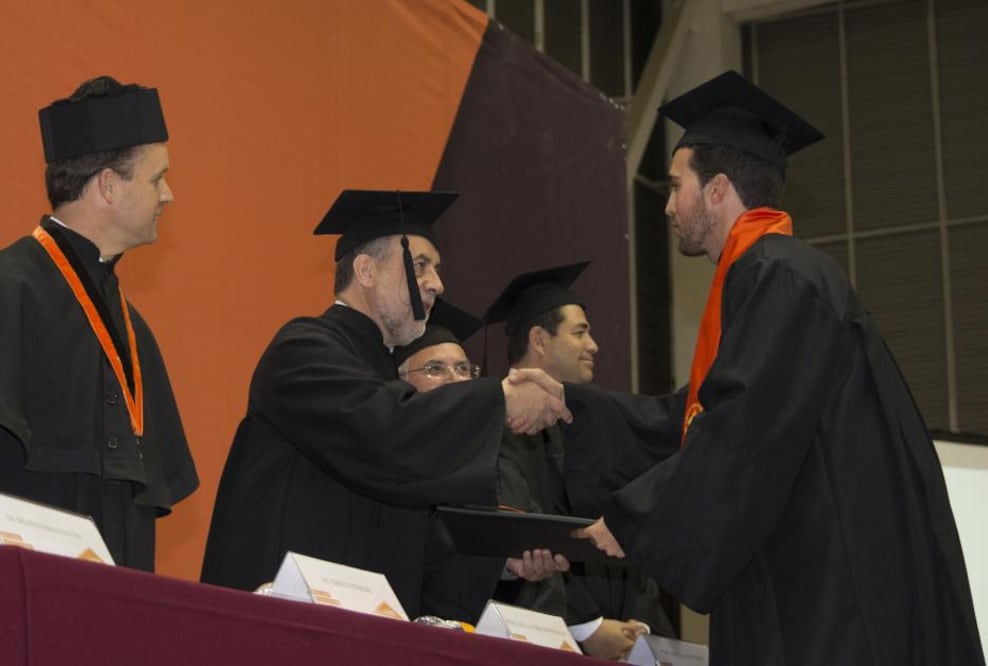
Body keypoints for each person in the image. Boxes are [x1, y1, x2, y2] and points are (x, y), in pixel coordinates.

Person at [557, 71, 984, 664]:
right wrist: (566, 404)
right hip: (805, 583)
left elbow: (742, 430)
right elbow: (692, 417)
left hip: (828, 603)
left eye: (676, 184)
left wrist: (638, 514)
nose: (666, 205)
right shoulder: (774, 275)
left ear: (717, 189)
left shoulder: (781, 275)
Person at [201, 189, 570, 618]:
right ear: (366, 271)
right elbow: (385, 430)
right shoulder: (302, 349)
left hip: (362, 628)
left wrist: (500, 560)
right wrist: (499, 399)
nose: (437, 283)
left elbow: (413, 547)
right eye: (420, 265)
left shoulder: (384, 380)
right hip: (282, 623)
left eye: (437, 268)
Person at [0, 76, 198, 571]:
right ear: (109, 186)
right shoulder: (8, 289)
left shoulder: (135, 331)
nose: (169, 195)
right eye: (157, 178)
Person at [485, 262, 675, 661]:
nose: (594, 345)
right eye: (580, 332)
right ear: (539, 339)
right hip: (534, 639)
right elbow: (520, 544)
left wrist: (637, 627)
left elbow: (626, 529)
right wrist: (586, 626)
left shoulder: (592, 426)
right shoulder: (496, 431)